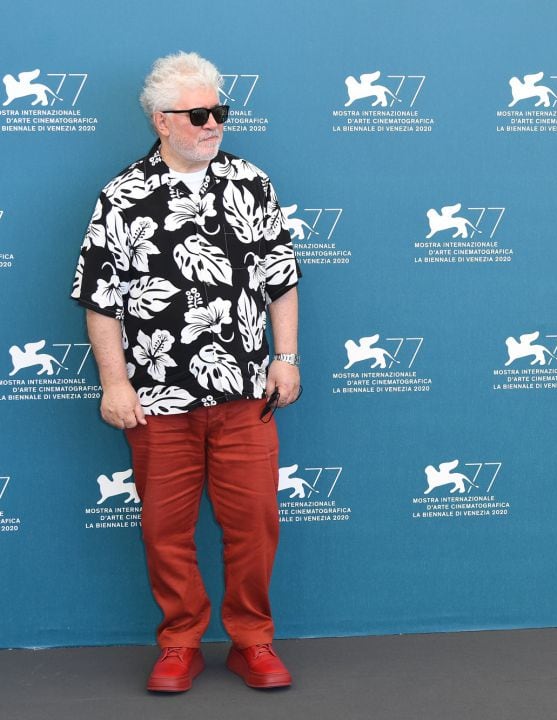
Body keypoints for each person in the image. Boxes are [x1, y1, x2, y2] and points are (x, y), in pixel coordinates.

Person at [72, 51, 302, 691]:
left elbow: (281, 283)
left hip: (245, 395)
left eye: (219, 112)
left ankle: (253, 640)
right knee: (166, 532)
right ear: (161, 119)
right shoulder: (122, 196)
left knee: (254, 525)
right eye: (198, 114)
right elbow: (100, 301)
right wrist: (114, 383)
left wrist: (286, 358)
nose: (212, 124)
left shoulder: (253, 184)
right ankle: (179, 643)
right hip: (157, 401)